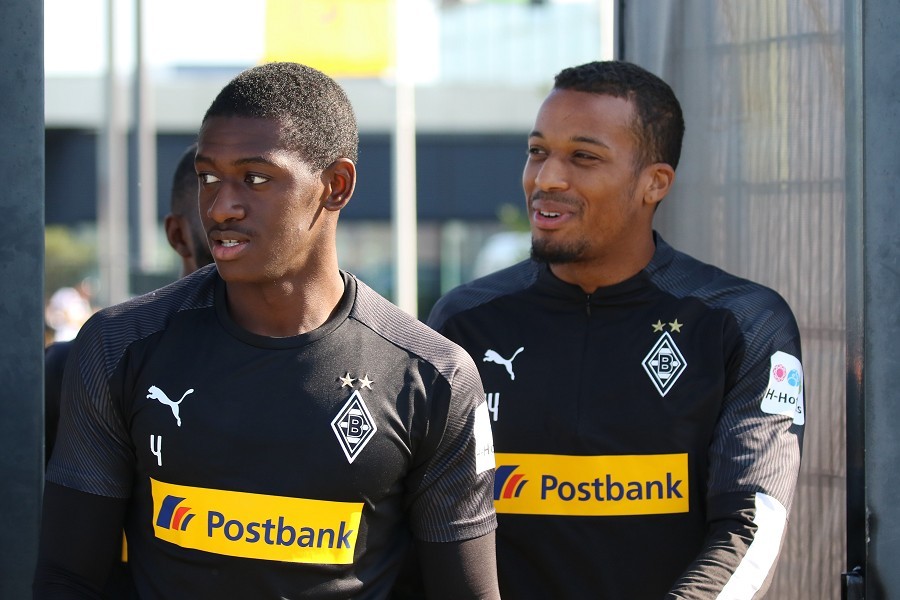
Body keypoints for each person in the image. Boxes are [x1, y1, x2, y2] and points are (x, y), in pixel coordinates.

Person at [34, 62, 499, 599]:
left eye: (255, 178)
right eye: (209, 177)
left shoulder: (433, 377)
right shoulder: (118, 346)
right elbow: (67, 580)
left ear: (336, 186)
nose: (221, 207)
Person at [427, 60, 804, 599]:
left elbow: (752, 521)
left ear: (654, 183)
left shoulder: (744, 323)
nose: (546, 178)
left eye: (583, 157)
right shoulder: (465, 321)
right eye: (538, 151)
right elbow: (430, 519)